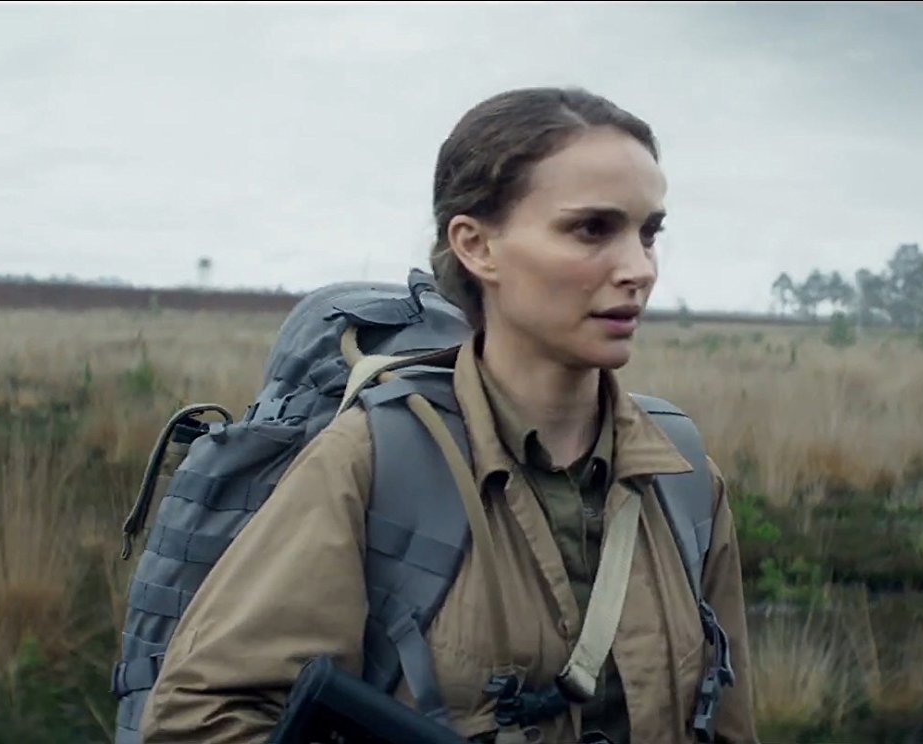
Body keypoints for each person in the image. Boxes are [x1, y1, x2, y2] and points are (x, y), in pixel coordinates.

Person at [138, 87, 757, 744]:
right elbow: (197, 720)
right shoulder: (373, 463)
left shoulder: (682, 479)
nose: (638, 268)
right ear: (476, 245)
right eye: (591, 229)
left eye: (648, 232)